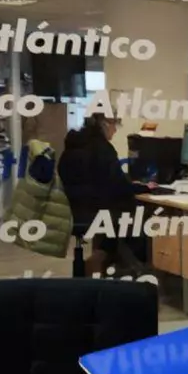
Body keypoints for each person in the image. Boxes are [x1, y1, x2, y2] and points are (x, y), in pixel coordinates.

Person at [57, 113, 153, 272]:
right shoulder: (102, 149)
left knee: (120, 219)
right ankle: (133, 267)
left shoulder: (73, 144)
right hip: (95, 212)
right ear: (105, 123)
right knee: (139, 217)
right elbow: (118, 186)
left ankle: (102, 262)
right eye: (115, 125)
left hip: (74, 211)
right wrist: (145, 187)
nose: (115, 130)